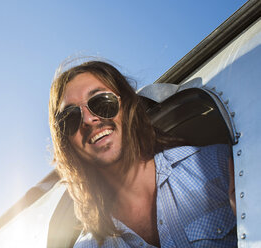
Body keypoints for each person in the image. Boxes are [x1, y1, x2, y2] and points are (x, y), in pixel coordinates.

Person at [48, 60, 237, 247]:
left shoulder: (218, 166)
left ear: (127, 106)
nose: (88, 119)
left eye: (102, 102)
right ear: (67, 143)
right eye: (70, 118)